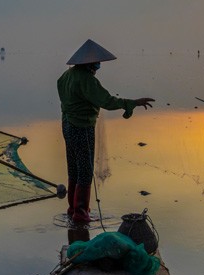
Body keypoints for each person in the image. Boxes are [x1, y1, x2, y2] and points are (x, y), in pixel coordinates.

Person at [57, 39, 154, 224]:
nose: (97, 68)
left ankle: (73, 208)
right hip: (82, 127)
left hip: (67, 126)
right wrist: (132, 103)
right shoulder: (86, 80)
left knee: (74, 168)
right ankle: (80, 213)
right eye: (96, 65)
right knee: (85, 170)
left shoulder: (65, 77)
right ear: (89, 64)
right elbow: (107, 101)